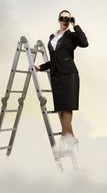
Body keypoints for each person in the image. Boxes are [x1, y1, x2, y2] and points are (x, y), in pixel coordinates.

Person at [34, 9, 89, 156]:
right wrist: (41, 67)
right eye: (62, 17)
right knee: (60, 108)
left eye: (67, 18)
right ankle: (71, 139)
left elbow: (85, 43)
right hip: (56, 75)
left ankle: (63, 141)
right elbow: (54, 59)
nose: (64, 20)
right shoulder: (53, 37)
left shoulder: (72, 36)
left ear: (70, 20)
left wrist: (75, 25)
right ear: (58, 19)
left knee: (67, 108)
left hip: (70, 74)